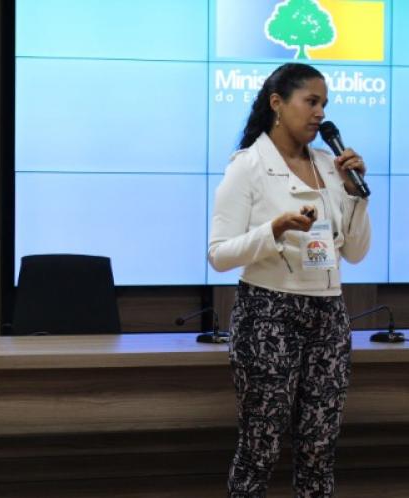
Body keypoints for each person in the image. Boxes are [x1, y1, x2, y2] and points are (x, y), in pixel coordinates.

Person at [208, 63, 371, 497]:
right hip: (268, 312)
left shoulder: (331, 166)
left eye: (324, 104)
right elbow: (219, 254)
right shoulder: (247, 165)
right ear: (277, 104)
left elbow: (355, 252)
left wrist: (355, 195)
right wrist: (274, 230)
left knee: (319, 448)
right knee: (260, 448)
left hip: (329, 314)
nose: (320, 113)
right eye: (311, 101)